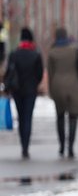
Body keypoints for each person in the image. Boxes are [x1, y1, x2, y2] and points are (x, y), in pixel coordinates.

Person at [47, 27, 78, 159]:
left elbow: (50, 72)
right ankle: (70, 147)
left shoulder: (52, 52)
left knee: (60, 116)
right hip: (74, 86)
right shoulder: (74, 50)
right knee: (73, 116)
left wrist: (50, 89)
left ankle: (61, 146)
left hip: (57, 85)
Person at [3, 27, 44, 158]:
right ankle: (26, 146)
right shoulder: (35, 55)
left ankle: (23, 144)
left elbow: (8, 73)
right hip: (30, 91)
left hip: (17, 91)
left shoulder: (14, 54)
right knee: (28, 117)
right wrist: (34, 84)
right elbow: (39, 74)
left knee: (21, 117)